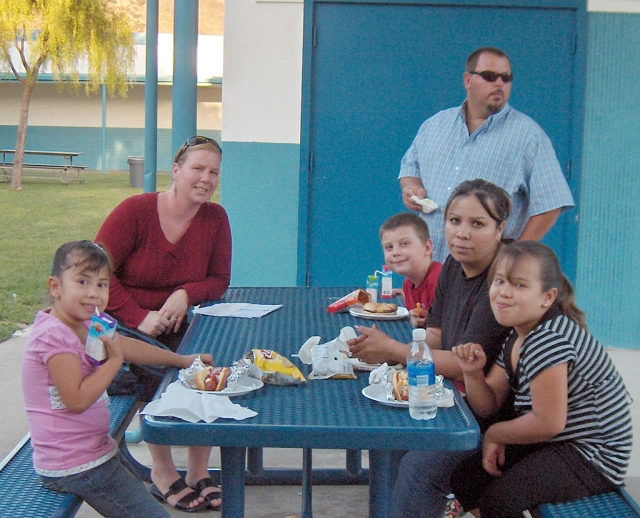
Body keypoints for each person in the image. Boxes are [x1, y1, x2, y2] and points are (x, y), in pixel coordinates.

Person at [348, 179, 512, 518]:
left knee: (419, 469)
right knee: (392, 442)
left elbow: (463, 364)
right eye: (454, 221)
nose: (462, 233)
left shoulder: (503, 278)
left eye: (477, 223)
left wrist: (394, 349)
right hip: (454, 398)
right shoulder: (454, 264)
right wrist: (398, 353)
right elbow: (434, 335)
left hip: (496, 416)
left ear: (500, 230)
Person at [21, 240, 217, 516]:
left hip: (93, 451)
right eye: (83, 282)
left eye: (101, 284)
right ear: (56, 287)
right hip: (73, 464)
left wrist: (182, 360)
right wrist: (113, 362)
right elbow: (76, 400)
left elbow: (125, 345)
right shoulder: (54, 338)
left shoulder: (88, 320)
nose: (93, 293)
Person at [95, 136, 231, 511]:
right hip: (124, 324)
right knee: (158, 373)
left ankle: (198, 471)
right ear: (176, 171)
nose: (206, 179)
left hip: (182, 322)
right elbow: (96, 274)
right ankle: (163, 471)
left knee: (212, 363)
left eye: (214, 172)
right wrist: (140, 317)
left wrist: (185, 292)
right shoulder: (134, 212)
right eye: (197, 169)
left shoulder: (216, 218)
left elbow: (219, 280)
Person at [450, 241, 633, 518]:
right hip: (560, 442)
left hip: (594, 455)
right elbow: (489, 405)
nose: (504, 293)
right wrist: (472, 373)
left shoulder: (548, 340)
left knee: (500, 500)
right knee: (467, 478)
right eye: (499, 281)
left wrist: (497, 434)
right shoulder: (517, 334)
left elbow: (548, 422)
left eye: (520, 285)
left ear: (547, 298)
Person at [399, 46, 575, 262]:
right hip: (428, 265)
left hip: (483, 272)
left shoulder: (528, 136)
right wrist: (411, 188)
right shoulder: (435, 125)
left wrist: (513, 257)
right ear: (467, 80)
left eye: (506, 77)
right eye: (490, 76)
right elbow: (410, 168)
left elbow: (551, 203)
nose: (499, 83)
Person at [379, 212, 442, 328]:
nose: (395, 252)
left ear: (427, 248)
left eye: (404, 244)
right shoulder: (407, 285)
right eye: (389, 247)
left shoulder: (439, 280)